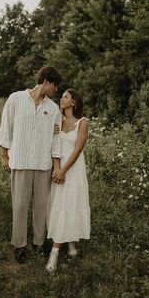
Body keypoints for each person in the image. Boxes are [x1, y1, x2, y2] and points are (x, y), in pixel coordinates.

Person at [0, 67, 63, 264]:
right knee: (19, 205)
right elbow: (6, 127)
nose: (56, 89)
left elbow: (56, 140)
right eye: (55, 85)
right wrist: (4, 155)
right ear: (45, 81)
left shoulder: (52, 109)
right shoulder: (16, 99)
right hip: (20, 160)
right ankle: (19, 245)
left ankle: (38, 242)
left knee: (41, 207)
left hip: (43, 164)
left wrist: (56, 164)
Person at [46, 88, 90, 272]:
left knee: (71, 204)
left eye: (65, 97)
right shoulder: (57, 121)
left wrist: (64, 170)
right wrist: (57, 168)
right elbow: (54, 146)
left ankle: (55, 252)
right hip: (58, 170)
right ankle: (66, 243)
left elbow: (78, 149)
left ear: (74, 102)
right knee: (59, 205)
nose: (61, 99)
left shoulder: (83, 122)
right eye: (62, 96)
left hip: (73, 170)